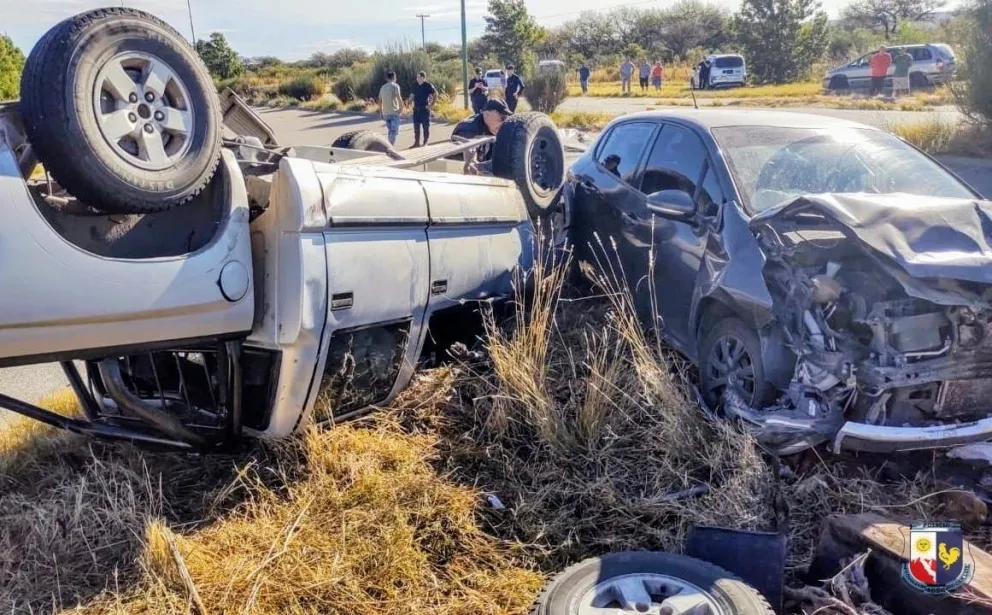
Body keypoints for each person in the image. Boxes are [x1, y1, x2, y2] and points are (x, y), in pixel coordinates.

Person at [451, 99, 512, 175]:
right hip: (455, 173)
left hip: (474, 170)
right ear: (487, 114)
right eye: (502, 118)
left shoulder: (492, 127)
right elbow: (470, 162)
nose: (503, 122)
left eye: (506, 118)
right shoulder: (469, 128)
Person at [410, 71, 437, 148]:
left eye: (419, 77)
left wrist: (431, 105)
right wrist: (409, 101)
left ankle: (425, 142)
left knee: (425, 127)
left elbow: (435, 95)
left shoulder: (428, 85)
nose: (417, 78)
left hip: (424, 109)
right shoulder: (415, 85)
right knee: (416, 127)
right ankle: (416, 143)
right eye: (417, 77)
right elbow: (412, 95)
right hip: (416, 109)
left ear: (423, 78)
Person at [378, 71, 403, 146]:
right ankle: (390, 147)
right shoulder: (395, 86)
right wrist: (401, 108)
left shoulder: (382, 87)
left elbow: (379, 100)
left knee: (390, 131)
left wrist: (381, 112)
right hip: (394, 112)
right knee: (394, 131)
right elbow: (399, 97)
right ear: (394, 77)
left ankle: (389, 146)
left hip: (386, 113)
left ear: (387, 78)